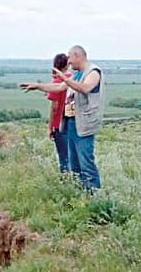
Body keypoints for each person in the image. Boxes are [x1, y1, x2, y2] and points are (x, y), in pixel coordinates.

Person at [22, 45, 104, 192]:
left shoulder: (93, 72)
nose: (69, 62)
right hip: (71, 123)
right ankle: (80, 194)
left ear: (78, 56)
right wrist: (37, 86)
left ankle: (94, 196)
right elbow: (59, 88)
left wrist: (64, 79)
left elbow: (85, 88)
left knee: (86, 162)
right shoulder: (76, 74)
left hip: (84, 124)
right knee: (74, 164)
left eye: (70, 58)